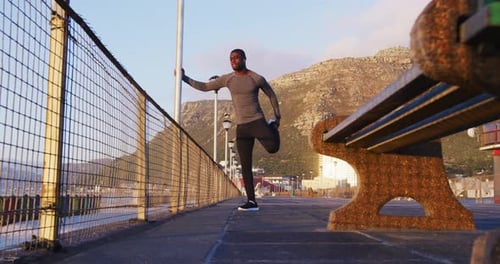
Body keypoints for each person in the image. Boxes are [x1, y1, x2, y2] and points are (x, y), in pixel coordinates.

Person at [178, 48, 281, 211]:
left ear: (244, 59)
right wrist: (184, 78)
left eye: (237, 57)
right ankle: (252, 202)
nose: (233, 60)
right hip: (242, 127)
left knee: (273, 148)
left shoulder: (256, 78)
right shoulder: (228, 79)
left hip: (257, 121)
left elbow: (272, 95)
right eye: (231, 58)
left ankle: (272, 127)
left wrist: (277, 117)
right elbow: (205, 86)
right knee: (245, 164)